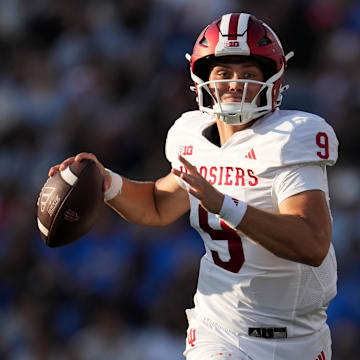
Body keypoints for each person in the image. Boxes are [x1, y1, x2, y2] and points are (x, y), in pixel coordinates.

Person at [49, 13, 339, 360]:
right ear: (203, 78)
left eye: (248, 74)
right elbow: (158, 204)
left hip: (302, 336)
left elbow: (312, 242)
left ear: (273, 80)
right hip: (221, 331)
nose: (235, 83)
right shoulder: (192, 137)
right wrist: (107, 182)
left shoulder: (290, 137)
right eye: (224, 73)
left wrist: (224, 204)